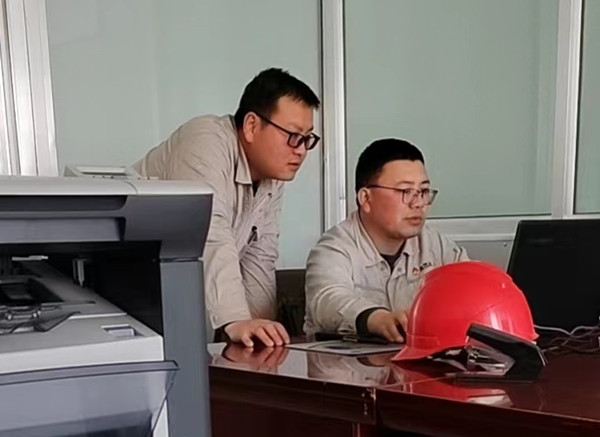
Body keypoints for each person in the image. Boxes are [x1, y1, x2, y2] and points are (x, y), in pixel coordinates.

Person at [133, 68, 320, 347]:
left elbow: (260, 256)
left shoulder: (271, 177)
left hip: (180, 291)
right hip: (131, 290)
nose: (301, 150)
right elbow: (210, 232)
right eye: (293, 135)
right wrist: (236, 319)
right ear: (252, 125)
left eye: (307, 139)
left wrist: (261, 335)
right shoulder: (206, 140)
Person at [304, 138, 468, 342]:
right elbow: (327, 301)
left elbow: (472, 286)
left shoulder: (436, 245)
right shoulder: (333, 249)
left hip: (417, 360)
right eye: (405, 191)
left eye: (424, 191)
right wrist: (376, 319)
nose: (418, 203)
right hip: (346, 361)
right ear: (366, 198)